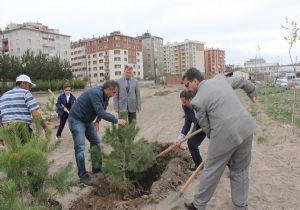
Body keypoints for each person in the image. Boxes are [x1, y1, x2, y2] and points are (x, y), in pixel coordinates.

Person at [182, 68, 258, 210]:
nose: (187, 89)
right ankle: (241, 207)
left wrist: (218, 144)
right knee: (240, 170)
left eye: (187, 85)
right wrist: (252, 93)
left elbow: (207, 128)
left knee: (211, 170)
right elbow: (242, 81)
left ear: (195, 81)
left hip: (224, 134)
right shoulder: (220, 79)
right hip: (246, 128)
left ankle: (198, 206)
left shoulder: (197, 101)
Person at [68, 80, 126, 186]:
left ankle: (97, 169)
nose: (114, 95)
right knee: (80, 147)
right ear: (108, 89)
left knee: (96, 142)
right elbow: (101, 112)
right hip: (76, 119)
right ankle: (83, 176)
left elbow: (102, 108)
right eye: (113, 92)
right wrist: (116, 120)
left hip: (87, 120)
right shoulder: (95, 93)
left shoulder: (106, 95)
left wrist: (98, 121)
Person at [0, 74, 48, 141]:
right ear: (23, 83)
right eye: (29, 85)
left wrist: (1, 137)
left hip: (7, 130)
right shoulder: (25, 93)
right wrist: (45, 128)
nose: (30, 88)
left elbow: (0, 118)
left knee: (13, 151)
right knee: (30, 149)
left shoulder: (3, 96)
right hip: (22, 128)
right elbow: (35, 114)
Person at [175, 90, 206, 171]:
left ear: (190, 99)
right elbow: (187, 124)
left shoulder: (201, 103)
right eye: (182, 102)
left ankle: (231, 165)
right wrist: (180, 138)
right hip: (199, 126)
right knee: (191, 143)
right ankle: (199, 165)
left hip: (211, 124)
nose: (183, 104)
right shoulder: (185, 106)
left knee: (219, 145)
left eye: (184, 101)